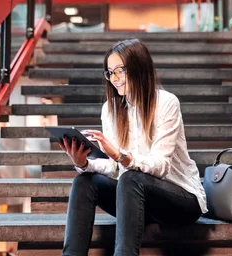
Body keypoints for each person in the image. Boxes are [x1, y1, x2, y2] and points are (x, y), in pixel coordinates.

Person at [59, 38, 207, 256]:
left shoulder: (166, 103)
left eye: (120, 71)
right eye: (110, 73)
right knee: (84, 181)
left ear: (139, 67)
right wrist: (84, 163)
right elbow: (114, 168)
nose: (115, 79)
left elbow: (161, 166)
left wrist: (121, 156)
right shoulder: (110, 109)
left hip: (180, 201)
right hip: (136, 202)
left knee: (130, 177)